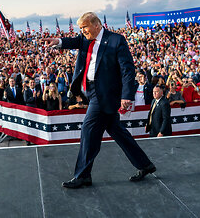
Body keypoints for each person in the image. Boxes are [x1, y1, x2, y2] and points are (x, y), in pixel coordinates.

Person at [42, 12, 155, 188]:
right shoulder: (86, 38)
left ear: (96, 25)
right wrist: (58, 41)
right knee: (117, 131)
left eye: (84, 27)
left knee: (88, 130)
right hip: (91, 92)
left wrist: (126, 95)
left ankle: (82, 175)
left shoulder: (116, 40)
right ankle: (145, 165)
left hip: (105, 94)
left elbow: (127, 70)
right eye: (80, 28)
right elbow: (73, 41)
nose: (82, 31)